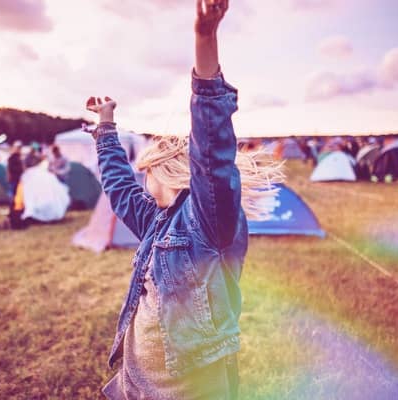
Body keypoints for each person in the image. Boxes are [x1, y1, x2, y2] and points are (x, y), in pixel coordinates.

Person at [88, 1, 283, 398]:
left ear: (172, 172)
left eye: (149, 170)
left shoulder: (207, 223)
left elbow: (212, 152)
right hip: (136, 386)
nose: (143, 179)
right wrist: (106, 129)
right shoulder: (158, 220)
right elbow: (119, 189)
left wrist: (204, 39)